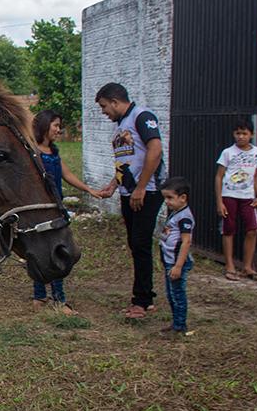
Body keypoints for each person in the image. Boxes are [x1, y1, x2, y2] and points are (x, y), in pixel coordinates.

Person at [95, 82, 164, 319]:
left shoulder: (141, 117)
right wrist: (114, 184)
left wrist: (142, 187)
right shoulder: (121, 125)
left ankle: (142, 301)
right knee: (136, 245)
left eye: (105, 106)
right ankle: (145, 295)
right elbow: (127, 161)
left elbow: (155, 150)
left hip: (147, 192)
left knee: (141, 244)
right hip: (129, 193)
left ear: (115, 101)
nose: (104, 112)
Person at [29, 109, 105, 315]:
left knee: (59, 252)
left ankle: (58, 298)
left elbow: (67, 174)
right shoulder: (33, 151)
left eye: (59, 126)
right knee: (40, 254)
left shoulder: (53, 152)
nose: (58, 130)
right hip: (40, 210)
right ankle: (41, 297)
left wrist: (89, 190)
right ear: (45, 126)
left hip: (57, 209)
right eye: (55, 125)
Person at [215, 118, 257, 281]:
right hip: (229, 195)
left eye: (244, 133)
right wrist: (219, 201)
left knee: (253, 229)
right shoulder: (228, 153)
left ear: (251, 134)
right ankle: (229, 265)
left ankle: (248, 267)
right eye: (238, 133)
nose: (241, 137)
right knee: (229, 229)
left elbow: (256, 176)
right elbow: (219, 176)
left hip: (248, 196)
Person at [158, 176, 195, 335]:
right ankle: (176, 323)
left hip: (176, 262)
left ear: (183, 198)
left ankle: (180, 326)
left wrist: (178, 266)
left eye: (170, 198)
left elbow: (186, 242)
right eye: (165, 198)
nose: (167, 201)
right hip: (169, 261)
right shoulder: (176, 213)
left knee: (178, 294)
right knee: (171, 294)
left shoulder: (184, 217)